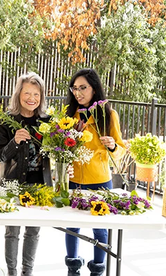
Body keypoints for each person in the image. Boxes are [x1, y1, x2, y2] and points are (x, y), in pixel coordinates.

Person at [64, 68, 126, 276]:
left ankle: (98, 270)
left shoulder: (109, 115)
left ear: (94, 88)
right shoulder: (69, 115)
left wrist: (112, 146)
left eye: (83, 88)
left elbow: (120, 151)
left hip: (100, 180)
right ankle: (72, 268)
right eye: (75, 88)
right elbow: (61, 148)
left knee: (100, 227)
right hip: (73, 179)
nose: (78, 93)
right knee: (72, 226)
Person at [0, 72, 52, 276]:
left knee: (33, 232)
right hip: (12, 183)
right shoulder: (6, 120)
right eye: (27, 92)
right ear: (18, 94)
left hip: (39, 184)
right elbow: (0, 155)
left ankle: (27, 272)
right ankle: (11, 273)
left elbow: (54, 153)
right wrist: (14, 142)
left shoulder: (48, 122)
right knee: (12, 232)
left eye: (36, 94)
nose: (31, 98)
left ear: (41, 96)